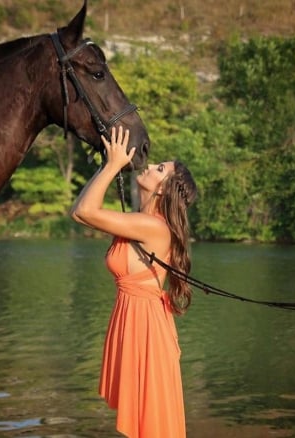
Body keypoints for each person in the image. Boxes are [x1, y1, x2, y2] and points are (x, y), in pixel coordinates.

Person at [70, 126, 197, 438]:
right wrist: (106, 165)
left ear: (165, 189)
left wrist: (113, 165)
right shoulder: (138, 223)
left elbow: (86, 211)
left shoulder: (153, 227)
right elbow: (78, 212)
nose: (150, 165)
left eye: (160, 168)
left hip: (146, 327)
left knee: (150, 424)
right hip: (136, 320)